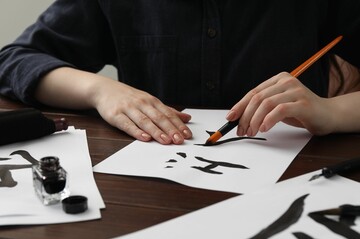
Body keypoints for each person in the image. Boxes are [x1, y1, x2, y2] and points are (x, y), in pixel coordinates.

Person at [0, 0, 360, 145]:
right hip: (149, 197)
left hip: (298, 181)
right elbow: (15, 59)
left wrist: (330, 112)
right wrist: (100, 91)